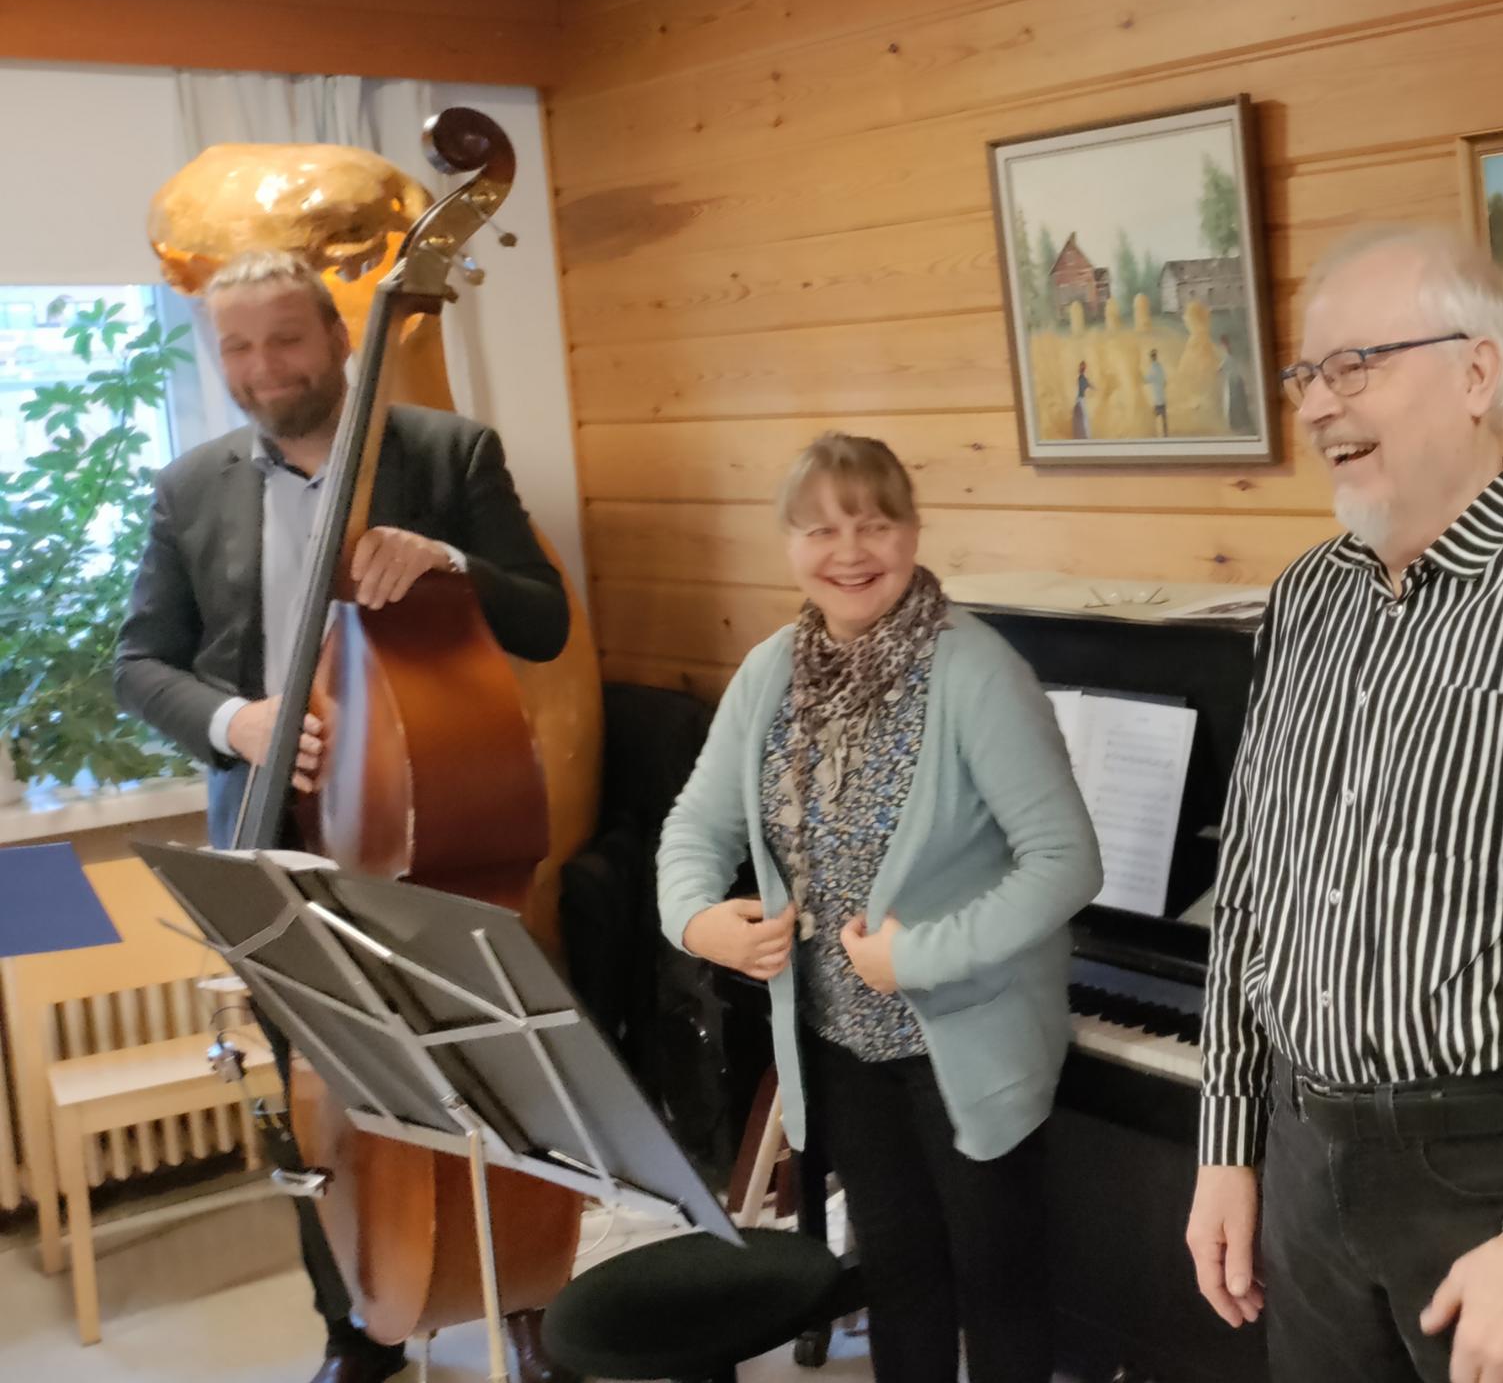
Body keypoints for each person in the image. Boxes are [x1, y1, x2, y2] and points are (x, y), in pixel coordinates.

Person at [1184, 226, 1503, 1383]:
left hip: (1490, 1177)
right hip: (1302, 1153)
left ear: (1477, 373)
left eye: (1354, 364)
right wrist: (1229, 1139)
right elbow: (1252, 887)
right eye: (1305, 373)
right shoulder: (1305, 599)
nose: (1317, 404)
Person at [113, 249, 573, 1383]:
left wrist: (450, 559)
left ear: (337, 336)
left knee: (486, 1071)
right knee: (312, 1096)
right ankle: (356, 1323)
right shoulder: (189, 486)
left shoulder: (448, 453)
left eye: (285, 337)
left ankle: (525, 1299)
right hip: (272, 833)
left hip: (431, 825)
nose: (261, 366)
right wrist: (236, 723)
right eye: (235, 346)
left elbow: (544, 620)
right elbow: (140, 664)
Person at [657, 432, 1102, 1383]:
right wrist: (696, 920)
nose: (850, 552)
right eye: (821, 530)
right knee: (901, 1281)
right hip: (841, 1043)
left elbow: (1067, 863)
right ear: (789, 543)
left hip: (968, 1044)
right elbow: (695, 826)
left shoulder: (976, 672)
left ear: (913, 530)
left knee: (1000, 1290)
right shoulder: (770, 672)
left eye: (874, 524)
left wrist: (920, 958)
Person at [1146, 347, 1170, 435]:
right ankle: (1165, 435)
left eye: (1151, 356)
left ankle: (1153, 434)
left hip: (1157, 400)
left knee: (1153, 418)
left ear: (1152, 357)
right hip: (1162, 399)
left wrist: (1137, 377)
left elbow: (1147, 379)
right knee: (1164, 420)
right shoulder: (1160, 367)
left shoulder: (1153, 368)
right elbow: (1164, 382)